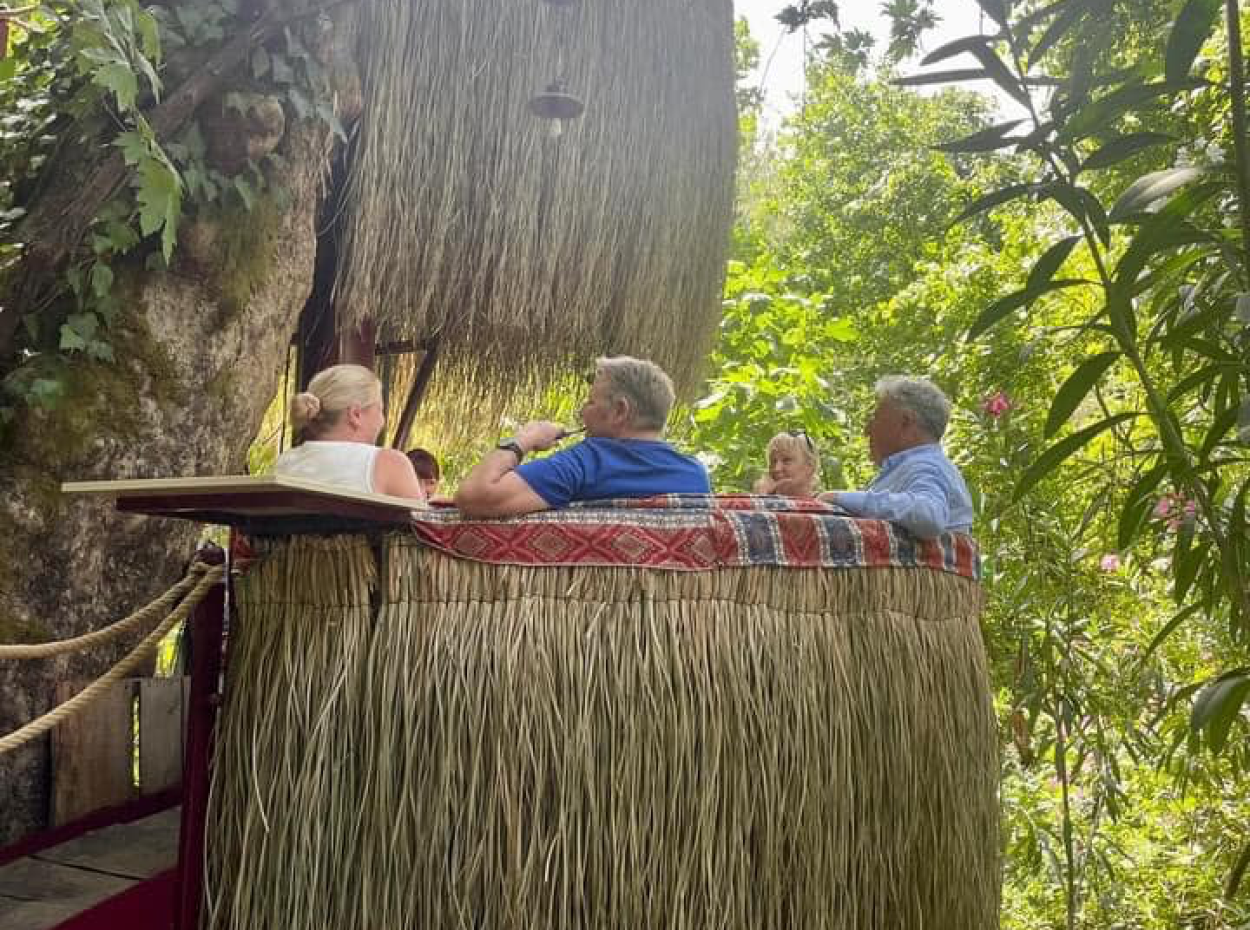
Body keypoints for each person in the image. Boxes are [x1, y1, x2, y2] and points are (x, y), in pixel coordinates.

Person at [454, 355, 710, 518]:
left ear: (619, 411)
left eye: (589, 402)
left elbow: (474, 497)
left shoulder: (585, 463)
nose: (581, 412)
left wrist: (524, 439)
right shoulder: (695, 476)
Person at [819, 376, 972, 539]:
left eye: (877, 418)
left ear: (905, 422)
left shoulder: (926, 465)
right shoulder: (915, 467)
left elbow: (928, 516)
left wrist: (839, 498)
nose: (867, 430)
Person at [274, 363, 426, 501]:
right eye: (380, 409)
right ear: (356, 415)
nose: (382, 421)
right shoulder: (388, 463)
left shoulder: (285, 463)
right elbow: (422, 528)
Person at [753, 430, 821, 498]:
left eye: (787, 460)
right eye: (773, 461)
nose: (777, 469)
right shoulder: (765, 498)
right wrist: (762, 495)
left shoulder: (826, 500)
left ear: (810, 466)